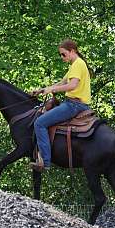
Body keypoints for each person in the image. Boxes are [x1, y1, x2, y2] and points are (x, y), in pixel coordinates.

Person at [29, 39, 92, 172]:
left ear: (72, 51)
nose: (62, 57)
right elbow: (62, 82)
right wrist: (43, 90)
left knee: (39, 123)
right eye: (60, 55)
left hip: (74, 105)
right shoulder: (76, 64)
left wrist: (52, 90)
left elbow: (72, 85)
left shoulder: (78, 64)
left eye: (63, 54)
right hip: (75, 104)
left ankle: (45, 162)